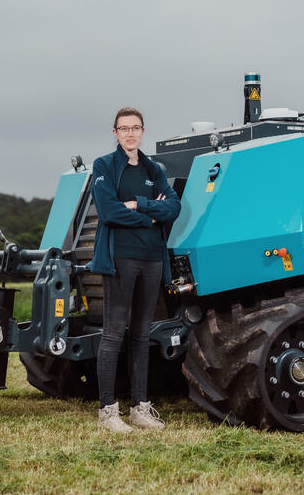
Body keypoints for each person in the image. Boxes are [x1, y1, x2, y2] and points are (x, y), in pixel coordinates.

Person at [88, 107, 181, 432]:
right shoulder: (105, 166)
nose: (130, 133)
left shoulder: (153, 169)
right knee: (114, 333)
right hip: (120, 259)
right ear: (115, 133)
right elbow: (109, 211)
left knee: (142, 335)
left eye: (135, 128)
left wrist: (140, 205)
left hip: (152, 259)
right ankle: (108, 412)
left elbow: (174, 207)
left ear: (142, 132)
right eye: (124, 128)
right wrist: (151, 217)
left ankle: (140, 408)